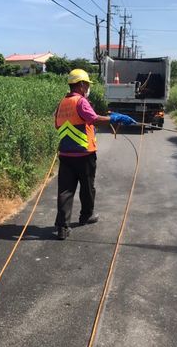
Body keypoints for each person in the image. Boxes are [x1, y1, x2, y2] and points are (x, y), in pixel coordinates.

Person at [54, 69, 136, 240]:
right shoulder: (81, 101)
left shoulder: (62, 103)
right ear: (82, 85)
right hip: (84, 154)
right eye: (87, 84)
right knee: (87, 187)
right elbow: (94, 119)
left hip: (66, 153)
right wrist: (116, 119)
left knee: (65, 190)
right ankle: (86, 216)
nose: (87, 87)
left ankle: (62, 227)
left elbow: (58, 125)